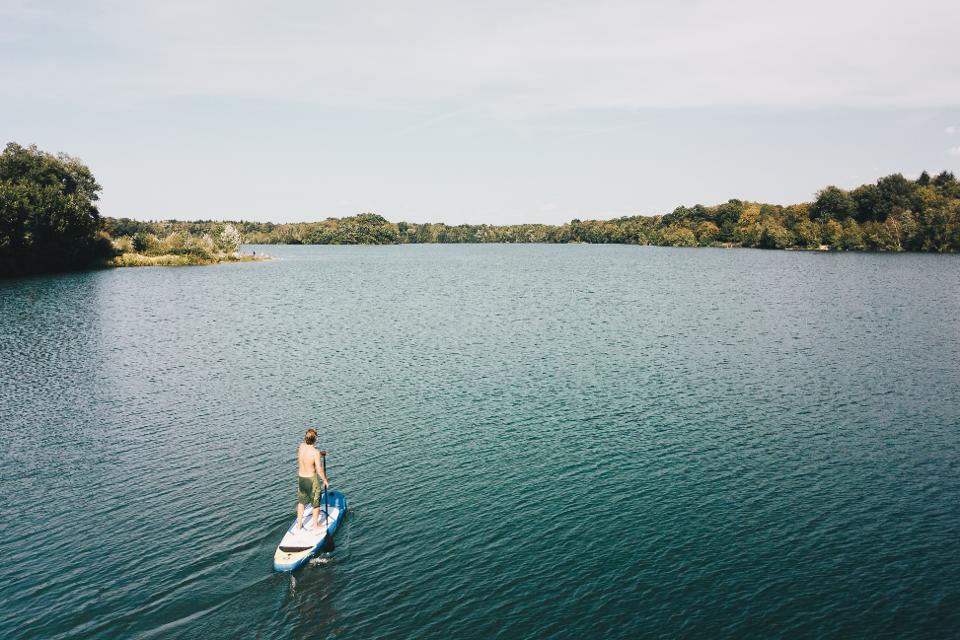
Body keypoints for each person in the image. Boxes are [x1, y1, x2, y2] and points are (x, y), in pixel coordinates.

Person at [296, 428, 329, 531]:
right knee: (316, 503)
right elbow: (319, 469)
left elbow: (307, 455)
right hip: (311, 480)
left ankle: (299, 525)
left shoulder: (301, 447)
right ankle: (315, 525)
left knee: (301, 502)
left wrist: (320, 454)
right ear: (315, 439)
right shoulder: (315, 452)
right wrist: (325, 480)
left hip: (301, 478)